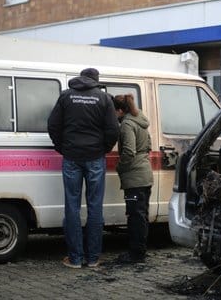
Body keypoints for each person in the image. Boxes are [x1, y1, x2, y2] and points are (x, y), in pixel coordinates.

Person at [47, 68, 119, 269]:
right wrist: (102, 149)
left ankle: (75, 258)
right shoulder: (104, 99)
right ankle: (94, 258)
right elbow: (113, 129)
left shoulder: (66, 96)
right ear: (96, 81)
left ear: (81, 78)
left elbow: (53, 125)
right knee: (95, 207)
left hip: (71, 157)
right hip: (95, 158)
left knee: (72, 206)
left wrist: (63, 148)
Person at [113, 94, 154, 263]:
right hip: (145, 174)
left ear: (120, 110)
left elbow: (129, 151)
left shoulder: (127, 125)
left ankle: (135, 254)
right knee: (141, 215)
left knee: (135, 216)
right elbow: (148, 146)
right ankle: (141, 251)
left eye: (114, 112)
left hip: (134, 176)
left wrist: (120, 167)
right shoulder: (140, 120)